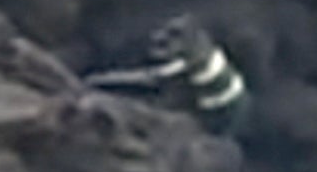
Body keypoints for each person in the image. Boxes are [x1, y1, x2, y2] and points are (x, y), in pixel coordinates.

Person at [84, 15, 248, 138]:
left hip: (219, 115)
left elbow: (150, 78)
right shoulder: (202, 51)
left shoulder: (193, 62)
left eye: (172, 37)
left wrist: (100, 80)